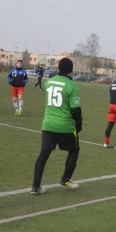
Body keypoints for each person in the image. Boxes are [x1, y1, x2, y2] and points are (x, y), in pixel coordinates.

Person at [31, 58, 82, 194]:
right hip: (64, 125)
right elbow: (76, 110)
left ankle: (35, 186)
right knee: (74, 150)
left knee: (44, 154)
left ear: (59, 68)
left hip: (47, 123)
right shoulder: (72, 86)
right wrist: (79, 125)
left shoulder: (48, 82)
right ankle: (65, 179)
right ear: (71, 70)